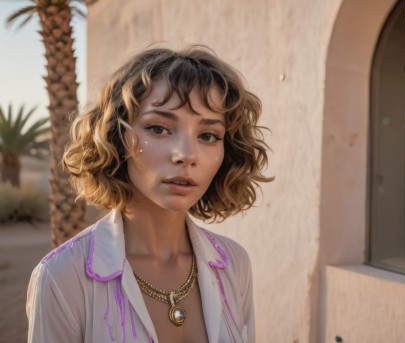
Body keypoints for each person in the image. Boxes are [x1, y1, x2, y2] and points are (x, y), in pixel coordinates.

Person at [26, 46, 272, 343]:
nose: (186, 155)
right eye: (159, 128)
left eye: (208, 135)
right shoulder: (62, 277)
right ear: (116, 138)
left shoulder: (234, 263)